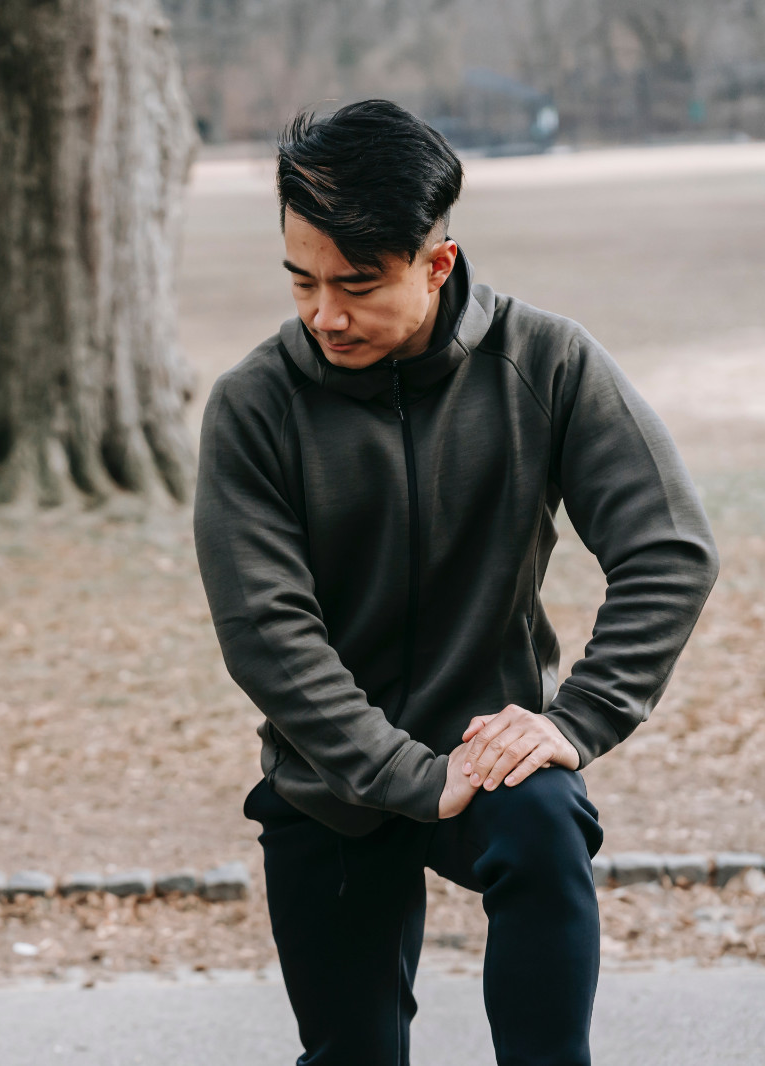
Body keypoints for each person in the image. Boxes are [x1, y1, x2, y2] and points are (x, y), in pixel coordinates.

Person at [192, 100, 718, 1066]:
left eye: (357, 283)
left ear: (437, 264)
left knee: (545, 825)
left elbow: (669, 545)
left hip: (491, 760)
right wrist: (405, 776)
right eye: (301, 280)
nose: (324, 315)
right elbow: (267, 629)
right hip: (332, 782)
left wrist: (576, 718)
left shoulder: (547, 362)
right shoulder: (254, 405)